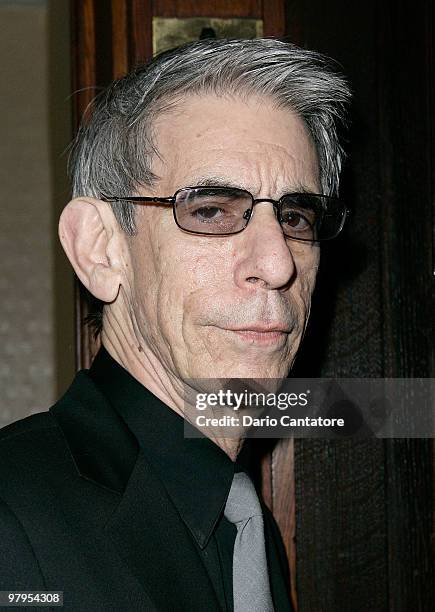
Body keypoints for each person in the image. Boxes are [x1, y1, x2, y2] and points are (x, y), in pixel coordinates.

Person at [0, 38, 350, 611]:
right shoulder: (12, 521)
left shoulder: (245, 527)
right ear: (100, 250)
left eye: (293, 216)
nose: (278, 262)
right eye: (210, 209)